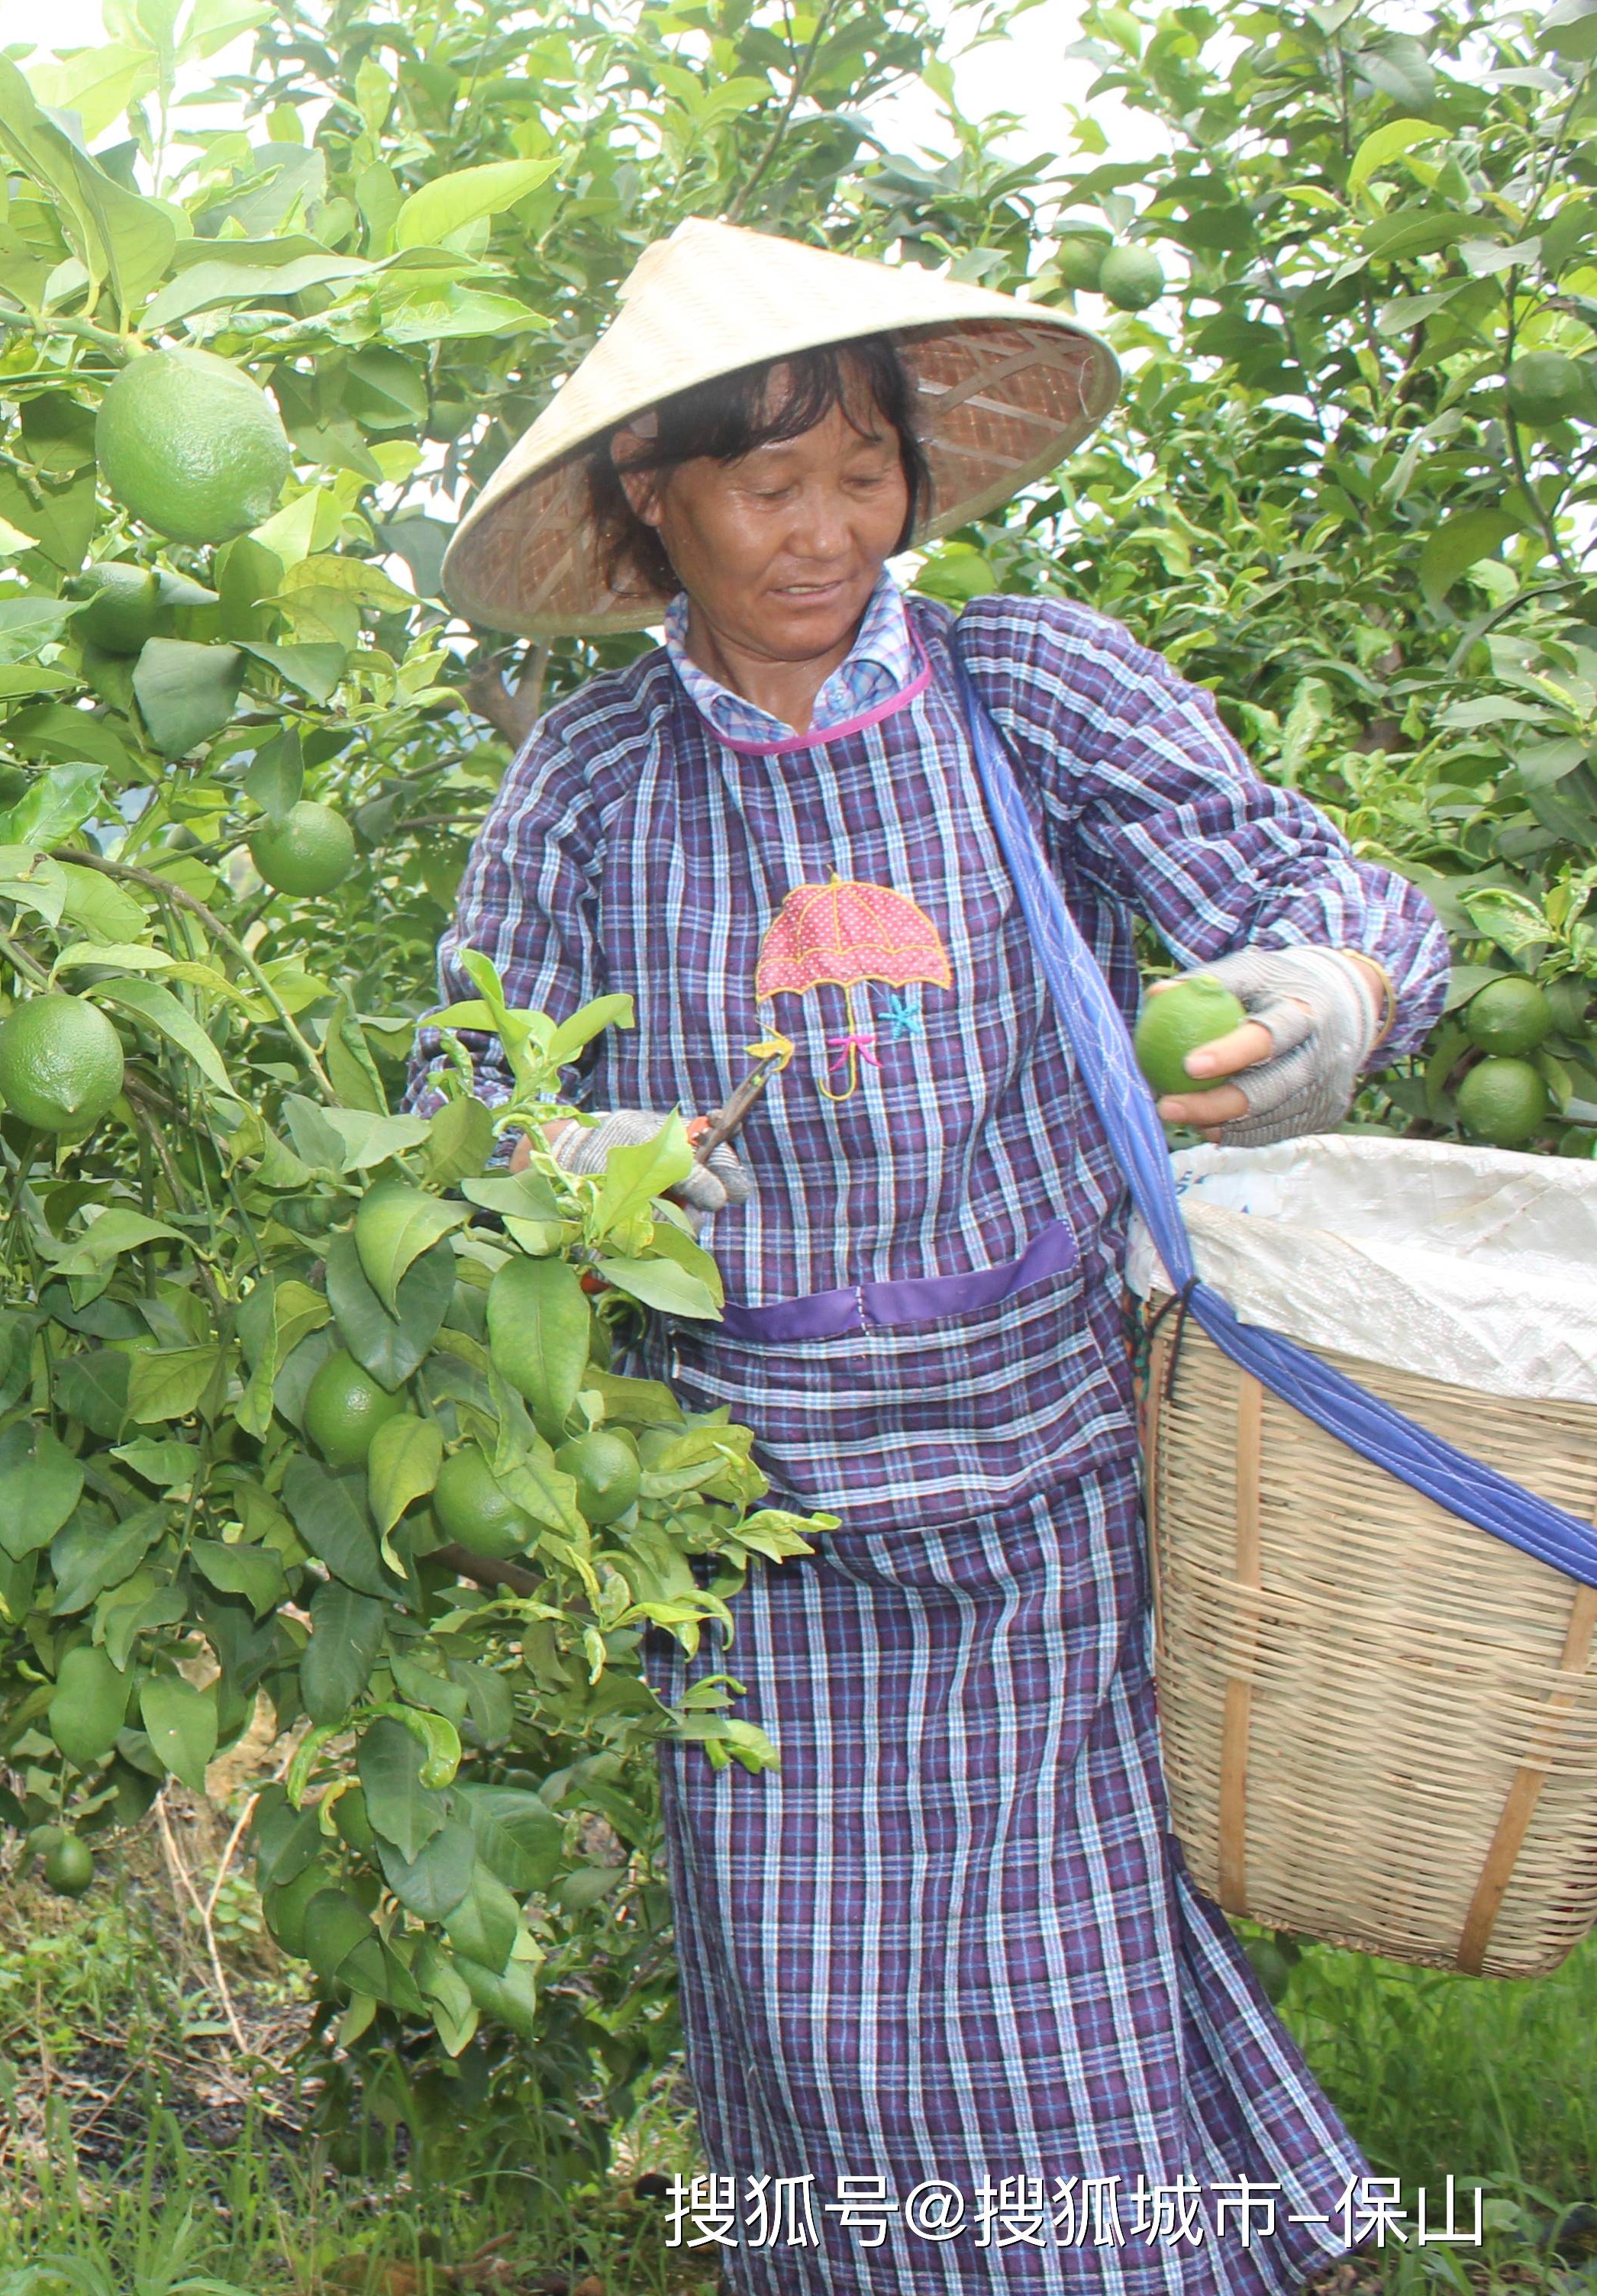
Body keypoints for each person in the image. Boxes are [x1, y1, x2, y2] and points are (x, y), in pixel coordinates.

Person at [418, 219, 1443, 2293]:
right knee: (815, 2031)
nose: (826, 533)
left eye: (862, 475)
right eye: (767, 485)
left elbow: (1326, 893)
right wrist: (577, 1158)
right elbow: (467, 1091)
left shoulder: (1024, 686)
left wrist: (1328, 997)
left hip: (1044, 1477)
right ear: (655, 500)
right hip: (747, 1517)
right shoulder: (596, 781)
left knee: (1064, 2021)